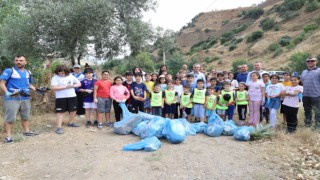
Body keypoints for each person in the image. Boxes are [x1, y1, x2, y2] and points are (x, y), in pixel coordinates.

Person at [0, 55, 38, 143]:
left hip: (25, 97)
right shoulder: (10, 71)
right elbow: (2, 83)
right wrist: (7, 92)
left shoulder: (28, 72)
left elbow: (28, 84)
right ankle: (8, 136)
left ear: (25, 62)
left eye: (21, 60)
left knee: (25, 116)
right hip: (12, 98)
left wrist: (36, 89)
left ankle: (26, 131)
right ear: (14, 62)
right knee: (10, 117)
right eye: (16, 60)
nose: (18, 62)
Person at [51, 65, 81, 134]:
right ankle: (59, 127)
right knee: (60, 112)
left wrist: (73, 86)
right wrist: (65, 87)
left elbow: (79, 84)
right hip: (60, 97)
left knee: (73, 110)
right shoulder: (55, 78)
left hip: (72, 95)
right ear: (57, 72)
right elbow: (54, 88)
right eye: (60, 73)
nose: (62, 74)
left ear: (66, 72)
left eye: (63, 73)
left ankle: (71, 122)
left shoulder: (71, 76)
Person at [301, 57, 320, 128]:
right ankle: (308, 125)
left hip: (316, 95)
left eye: (312, 61)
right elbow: (302, 82)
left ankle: (317, 126)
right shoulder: (304, 72)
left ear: (316, 62)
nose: (310, 62)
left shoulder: (319, 70)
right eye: (308, 61)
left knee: (317, 111)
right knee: (307, 111)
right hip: (305, 95)